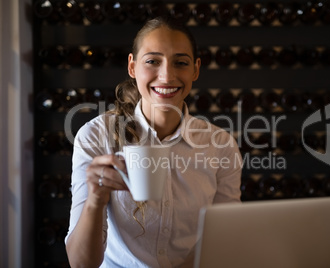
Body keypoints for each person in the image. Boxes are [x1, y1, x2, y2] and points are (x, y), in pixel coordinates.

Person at [65, 17, 242, 268]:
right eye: (152, 61)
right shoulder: (95, 137)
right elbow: (81, 264)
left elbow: (226, 238)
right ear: (132, 67)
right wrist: (96, 199)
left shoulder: (221, 145)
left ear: (195, 69)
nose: (167, 75)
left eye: (180, 62)